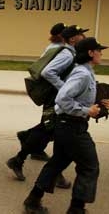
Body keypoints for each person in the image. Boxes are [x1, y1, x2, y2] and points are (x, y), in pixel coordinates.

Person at [23, 37, 109, 214]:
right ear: (90, 53)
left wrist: (101, 106)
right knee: (89, 166)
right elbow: (62, 99)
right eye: (99, 50)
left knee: (56, 163)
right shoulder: (82, 74)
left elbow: (78, 98)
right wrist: (86, 111)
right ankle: (76, 209)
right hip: (72, 128)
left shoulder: (85, 72)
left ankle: (32, 201)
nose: (101, 53)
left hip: (67, 126)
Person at [7, 24, 87, 187]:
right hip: (55, 98)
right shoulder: (66, 54)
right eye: (80, 34)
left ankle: (24, 156)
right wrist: (64, 88)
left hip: (58, 97)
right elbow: (48, 72)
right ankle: (20, 159)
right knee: (49, 129)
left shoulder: (71, 52)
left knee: (51, 130)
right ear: (72, 39)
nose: (83, 37)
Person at [16, 22, 67, 160]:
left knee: (49, 122)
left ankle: (34, 147)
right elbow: (48, 72)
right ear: (61, 35)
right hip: (52, 91)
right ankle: (27, 141)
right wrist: (64, 87)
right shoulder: (59, 49)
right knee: (50, 123)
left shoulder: (58, 48)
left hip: (52, 90)